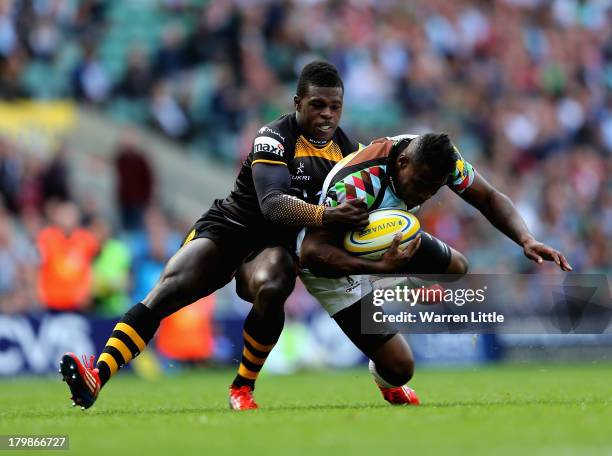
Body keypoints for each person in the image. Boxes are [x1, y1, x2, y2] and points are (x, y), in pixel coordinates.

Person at [59, 61, 369, 410]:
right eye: (318, 105)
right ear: (297, 103)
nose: (327, 114)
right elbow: (273, 206)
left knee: (274, 285)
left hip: (274, 246)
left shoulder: (352, 154)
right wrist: (328, 216)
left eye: (335, 106)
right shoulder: (273, 137)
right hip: (231, 227)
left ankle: (242, 387)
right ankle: (96, 378)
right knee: (168, 289)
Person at [298, 133, 572, 405]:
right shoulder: (358, 184)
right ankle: (379, 280)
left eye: (434, 189)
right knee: (399, 366)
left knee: (456, 267)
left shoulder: (444, 161)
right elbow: (311, 252)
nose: (425, 194)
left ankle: (384, 283)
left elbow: (488, 198)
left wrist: (526, 239)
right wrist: (375, 266)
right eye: (420, 184)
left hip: (381, 241)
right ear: (403, 162)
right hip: (329, 263)